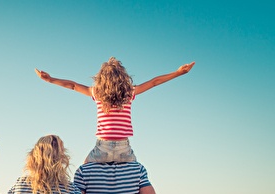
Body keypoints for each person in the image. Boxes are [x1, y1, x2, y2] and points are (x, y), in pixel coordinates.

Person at [35, 57, 195, 164]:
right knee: (137, 175)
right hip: (123, 147)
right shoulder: (129, 92)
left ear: (101, 79)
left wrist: (50, 80)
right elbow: (154, 82)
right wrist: (179, 73)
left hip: (102, 147)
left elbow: (73, 85)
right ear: (123, 77)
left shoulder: (96, 93)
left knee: (83, 172)